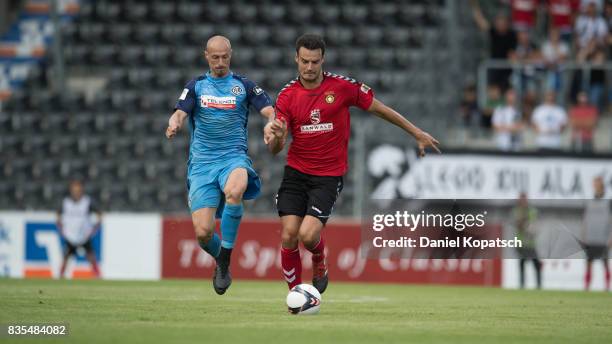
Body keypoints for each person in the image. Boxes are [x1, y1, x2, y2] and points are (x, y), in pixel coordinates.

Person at [264, 34, 440, 293]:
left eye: (314, 61)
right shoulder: (287, 96)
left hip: (328, 176)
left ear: (323, 59)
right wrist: (277, 137)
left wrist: (416, 132)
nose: (310, 67)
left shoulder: (342, 88)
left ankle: (319, 259)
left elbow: (381, 109)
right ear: (296, 59)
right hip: (296, 172)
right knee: (289, 234)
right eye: (304, 61)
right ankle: (296, 295)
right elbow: (274, 150)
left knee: (308, 235)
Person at [166, 36, 275, 295]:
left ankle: (225, 256)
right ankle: (220, 258)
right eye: (215, 57)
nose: (220, 62)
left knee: (236, 190)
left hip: (233, 157)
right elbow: (180, 111)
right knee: (203, 233)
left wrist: (271, 123)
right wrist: (174, 123)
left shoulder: (243, 85)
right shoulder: (196, 86)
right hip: (202, 164)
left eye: (225, 56)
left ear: (231, 55)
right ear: (206, 56)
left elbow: (269, 109)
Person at [56, 179, 102, 279]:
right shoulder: (66, 202)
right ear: (71, 190)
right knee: (66, 257)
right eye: (74, 190)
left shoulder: (87, 202)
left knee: (91, 256)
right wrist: (60, 228)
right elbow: (58, 215)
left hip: (84, 235)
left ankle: (98, 275)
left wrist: (95, 228)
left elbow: (99, 214)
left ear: (81, 190)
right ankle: (60, 276)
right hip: (70, 235)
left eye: (78, 190)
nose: (76, 192)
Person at [470, 0, 517, 90]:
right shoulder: (493, 32)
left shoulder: (512, 35)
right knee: (492, 88)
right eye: (499, 20)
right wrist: (475, 7)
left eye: (502, 20)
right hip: (494, 66)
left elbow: (512, 53)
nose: (500, 23)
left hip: (506, 68)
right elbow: (481, 22)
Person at [582, 176, 611, 291]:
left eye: (597, 183)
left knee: (605, 264)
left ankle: (607, 287)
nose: (595, 185)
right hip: (590, 238)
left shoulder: (608, 202)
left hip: (603, 239)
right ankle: (587, 287)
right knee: (589, 264)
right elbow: (585, 220)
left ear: (601, 185)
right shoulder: (590, 202)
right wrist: (583, 235)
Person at [512, 192, 541, 289]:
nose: (523, 201)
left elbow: (535, 224)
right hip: (521, 242)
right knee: (522, 262)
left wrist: (531, 227)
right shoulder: (517, 211)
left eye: (524, 199)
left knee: (536, 263)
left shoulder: (532, 211)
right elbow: (518, 225)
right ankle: (522, 285)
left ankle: (539, 285)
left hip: (531, 243)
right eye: (521, 199)